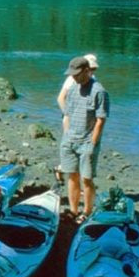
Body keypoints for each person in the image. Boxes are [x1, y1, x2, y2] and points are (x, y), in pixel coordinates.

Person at [60, 55, 109, 223]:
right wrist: (66, 137)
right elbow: (67, 114)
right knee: (71, 176)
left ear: (87, 71)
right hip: (70, 140)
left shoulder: (99, 91)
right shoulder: (73, 89)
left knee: (86, 179)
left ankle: (87, 211)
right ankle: (74, 210)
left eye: (77, 74)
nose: (73, 77)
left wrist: (92, 143)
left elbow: (101, 120)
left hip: (87, 142)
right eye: (72, 74)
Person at [55, 53, 98, 183]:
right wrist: (68, 115)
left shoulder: (93, 80)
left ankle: (63, 172)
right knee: (72, 150)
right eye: (91, 68)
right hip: (71, 121)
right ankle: (61, 170)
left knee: (78, 153)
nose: (93, 71)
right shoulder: (72, 79)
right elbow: (60, 98)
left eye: (94, 69)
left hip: (83, 123)